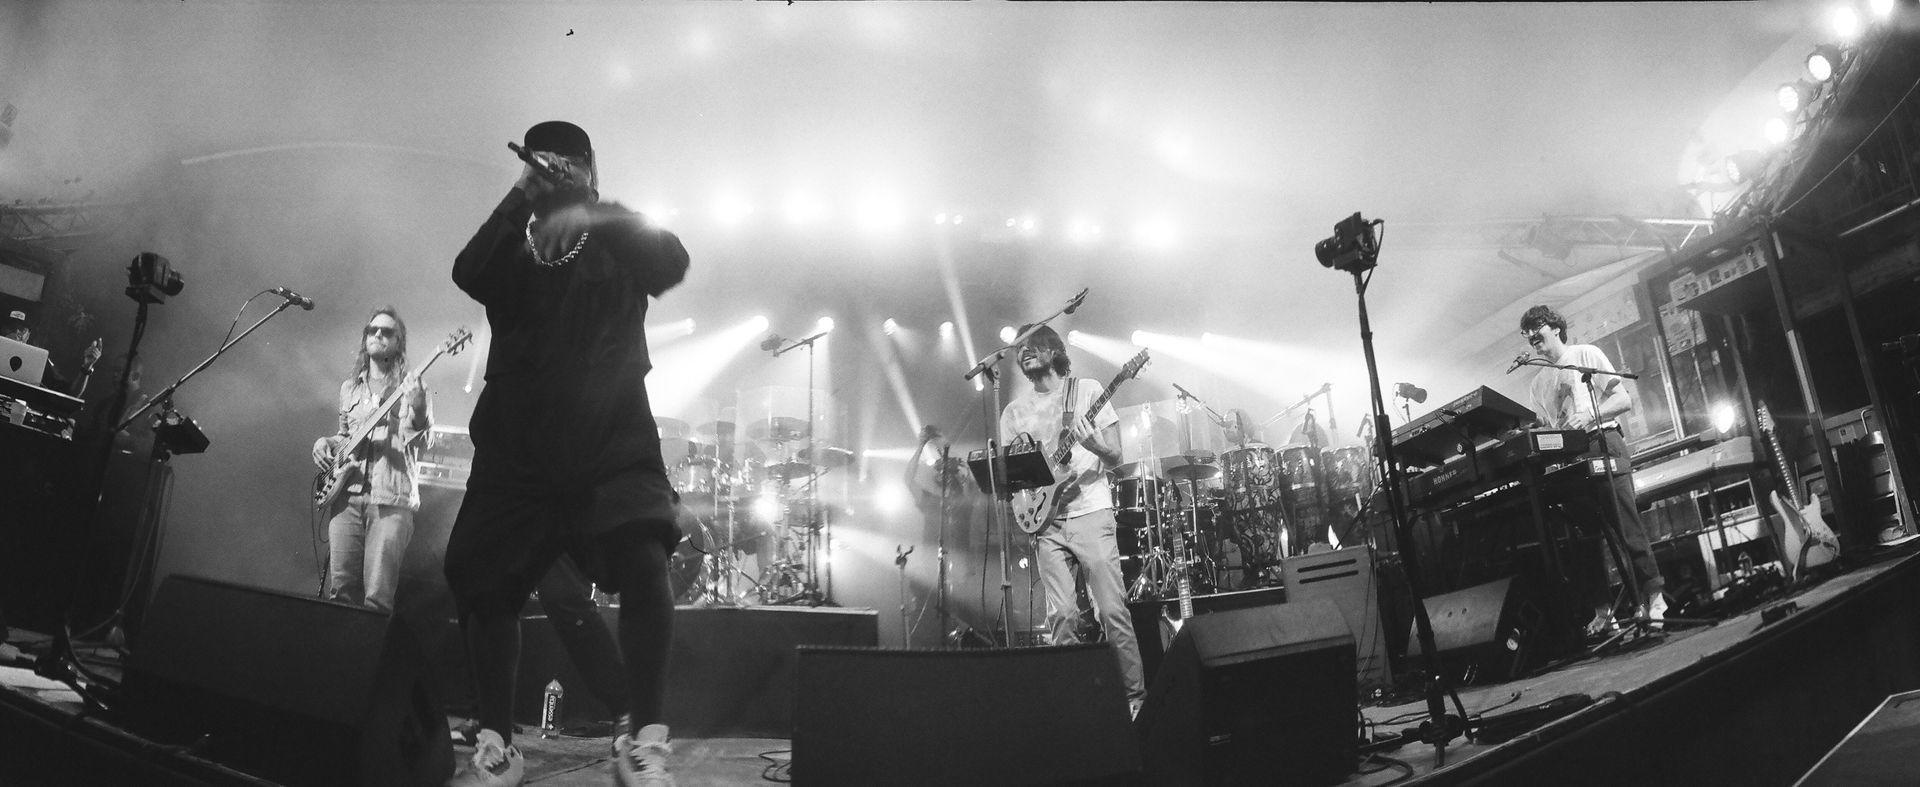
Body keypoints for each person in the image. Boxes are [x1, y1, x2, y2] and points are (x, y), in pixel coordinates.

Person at [444, 120, 689, 787]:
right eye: (537, 165)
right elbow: (469, 272)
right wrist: (523, 191)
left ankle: (644, 741)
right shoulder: (514, 243)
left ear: (587, 168)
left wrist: (591, 207)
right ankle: (497, 742)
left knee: (642, 556)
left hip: (611, 438)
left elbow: (671, 262)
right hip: (518, 446)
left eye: (561, 166)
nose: (548, 176)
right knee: (484, 577)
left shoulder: (617, 234)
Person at [998, 325, 1147, 717]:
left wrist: (1093, 443)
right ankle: (1071, 706)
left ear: (1053, 349)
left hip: (1091, 512)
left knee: (1111, 610)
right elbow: (1013, 477)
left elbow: (1115, 455)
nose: (1024, 353)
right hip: (1046, 524)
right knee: (1061, 615)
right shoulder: (1013, 413)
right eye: (1020, 350)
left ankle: (1134, 699)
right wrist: (1025, 503)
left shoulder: (1090, 390)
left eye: (1032, 346)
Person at [1520, 304, 1666, 626]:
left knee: (1626, 526)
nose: (1531, 335)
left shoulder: (1586, 354)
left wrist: (1587, 415)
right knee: (1584, 541)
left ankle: (1654, 599)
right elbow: (1547, 431)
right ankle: (1604, 612)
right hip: (1570, 459)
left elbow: (1624, 399)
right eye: (1526, 332)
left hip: (1603, 441)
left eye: (1536, 327)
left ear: (1555, 327)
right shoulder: (1537, 385)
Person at [310, 307, 431, 614]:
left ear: (398, 342)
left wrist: (417, 407)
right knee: (341, 594)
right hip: (346, 496)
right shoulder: (350, 388)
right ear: (365, 338)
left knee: (377, 599)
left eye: (387, 331)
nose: (378, 334)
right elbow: (346, 436)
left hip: (390, 500)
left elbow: (425, 441)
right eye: (373, 329)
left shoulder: (414, 388)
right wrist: (324, 443)